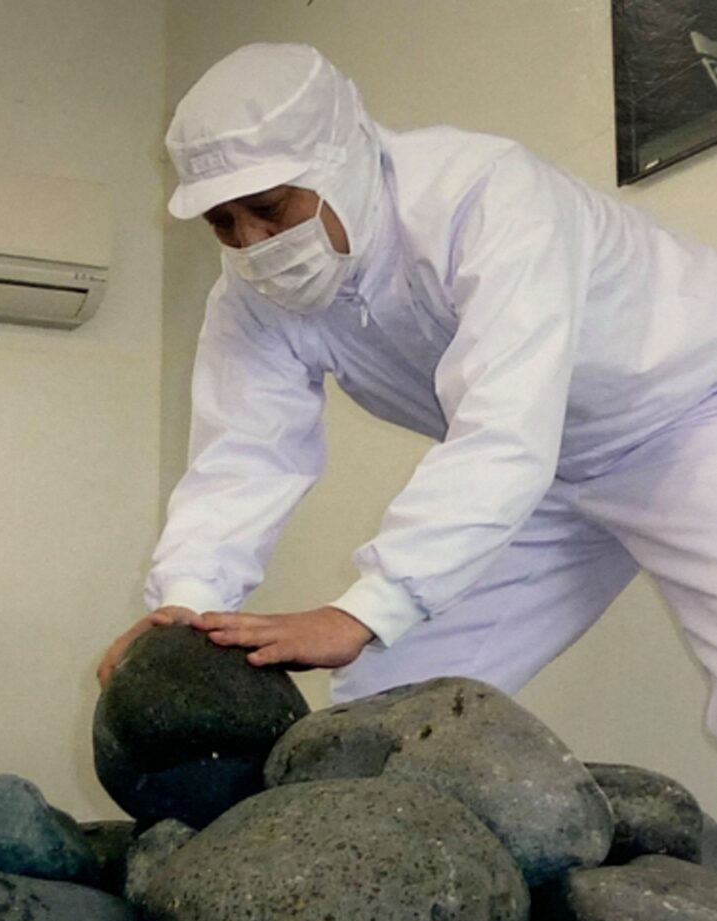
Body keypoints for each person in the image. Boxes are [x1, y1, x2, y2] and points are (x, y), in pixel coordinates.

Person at [98, 42, 717, 735]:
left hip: (691, 416)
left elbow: (505, 422)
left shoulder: (484, 194)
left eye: (268, 207)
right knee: (380, 709)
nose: (252, 242)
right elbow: (243, 455)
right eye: (222, 222)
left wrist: (363, 610)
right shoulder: (249, 296)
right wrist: (185, 608)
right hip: (544, 475)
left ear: (339, 158)